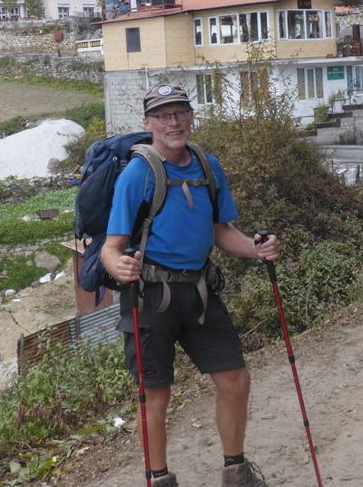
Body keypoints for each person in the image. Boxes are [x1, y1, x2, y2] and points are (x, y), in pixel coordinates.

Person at [102, 84, 279, 487]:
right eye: (163, 115)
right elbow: (111, 249)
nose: (173, 122)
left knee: (235, 378)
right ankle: (159, 478)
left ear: (191, 117)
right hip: (150, 297)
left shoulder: (207, 165)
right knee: (156, 396)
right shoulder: (137, 174)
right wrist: (120, 268)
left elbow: (221, 231)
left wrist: (256, 248)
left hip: (199, 292)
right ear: (148, 124)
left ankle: (236, 470)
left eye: (180, 112)